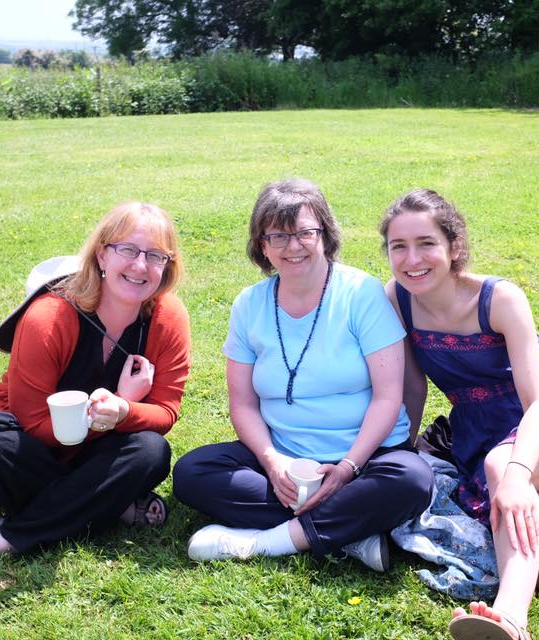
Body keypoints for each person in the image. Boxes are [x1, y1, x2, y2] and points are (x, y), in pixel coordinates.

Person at [380, 189, 539, 639]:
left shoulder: (500, 298)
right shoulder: (398, 298)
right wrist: (398, 449)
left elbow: (538, 404)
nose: (412, 258)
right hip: (480, 430)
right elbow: (412, 386)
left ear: (454, 247)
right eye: (399, 246)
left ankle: (511, 613)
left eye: (426, 243)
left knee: (505, 472)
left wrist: (512, 474)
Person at [0, 202, 191, 570]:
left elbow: (166, 411)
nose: (141, 265)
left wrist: (123, 410)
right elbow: (33, 423)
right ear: (102, 255)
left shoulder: (168, 317)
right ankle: (106, 501)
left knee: (151, 452)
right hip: (30, 448)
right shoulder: (49, 316)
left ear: (167, 267)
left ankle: (3, 537)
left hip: (97, 453)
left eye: (156, 256)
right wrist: (110, 412)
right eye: (128, 250)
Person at [173, 179, 432, 572]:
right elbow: (242, 403)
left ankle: (267, 542)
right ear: (262, 245)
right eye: (278, 235)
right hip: (286, 458)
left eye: (306, 233)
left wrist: (348, 469)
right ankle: (351, 531)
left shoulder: (361, 293)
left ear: (325, 235)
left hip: (366, 457)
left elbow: (387, 396)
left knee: (412, 480)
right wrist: (272, 461)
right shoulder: (250, 305)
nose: (293, 247)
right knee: (192, 473)